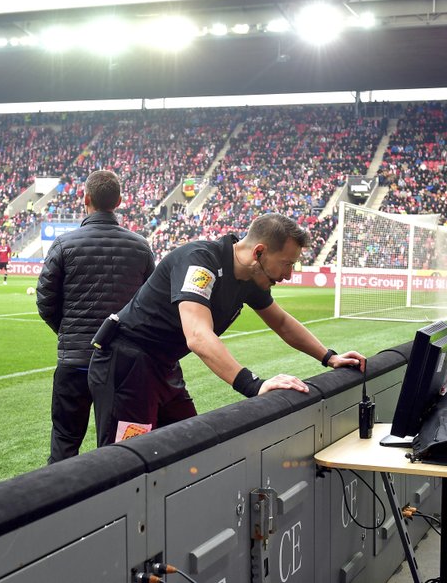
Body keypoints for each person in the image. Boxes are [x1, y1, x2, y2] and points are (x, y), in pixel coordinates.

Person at [88, 213, 366, 447]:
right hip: (126, 366)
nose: (289, 275)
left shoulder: (250, 278)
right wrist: (255, 386)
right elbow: (198, 336)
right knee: (125, 465)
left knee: (191, 448)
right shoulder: (201, 261)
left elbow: (281, 322)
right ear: (259, 252)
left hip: (163, 367)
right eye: (287, 263)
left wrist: (329, 357)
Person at [37, 170, 155, 463]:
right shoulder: (140, 246)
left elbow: (45, 302)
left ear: (85, 199)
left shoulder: (65, 245)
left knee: (64, 444)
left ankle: (61, 505)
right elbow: (150, 306)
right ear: (119, 201)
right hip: (122, 366)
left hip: (75, 361)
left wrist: (69, 332)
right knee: (121, 449)